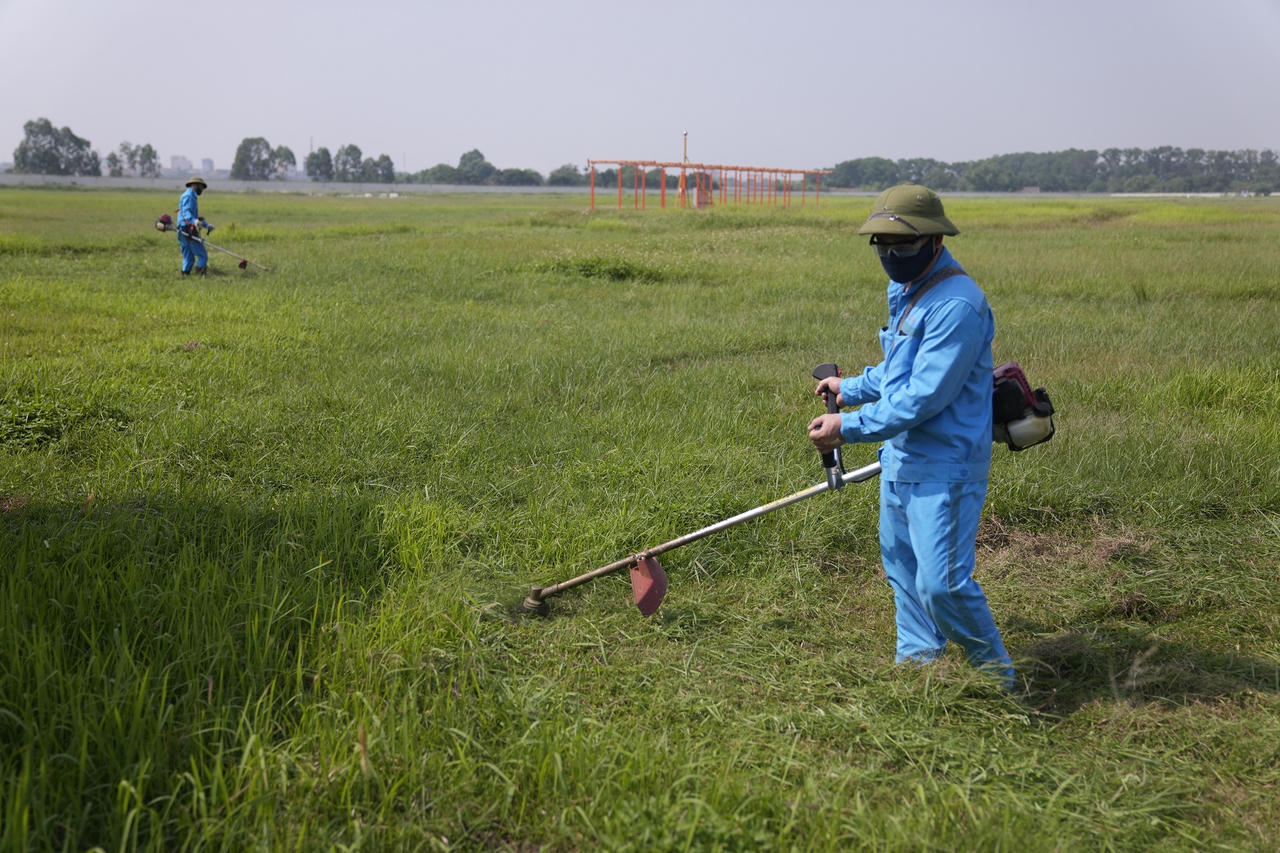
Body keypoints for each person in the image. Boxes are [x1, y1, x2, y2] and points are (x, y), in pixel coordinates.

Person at [807, 184, 1015, 689]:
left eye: (902, 245)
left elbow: (924, 397)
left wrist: (846, 426)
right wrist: (849, 387)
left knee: (941, 584)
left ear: (934, 241)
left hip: (945, 466)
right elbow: (899, 372)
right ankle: (919, 674)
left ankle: (998, 681)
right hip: (901, 458)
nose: (891, 255)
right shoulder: (907, 290)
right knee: (903, 574)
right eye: (882, 245)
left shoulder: (958, 306)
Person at [176, 176, 209, 276]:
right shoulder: (189, 196)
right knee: (202, 255)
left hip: (182, 228)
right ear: (195, 185)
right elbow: (186, 212)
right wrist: (194, 221)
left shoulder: (190, 196)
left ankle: (185, 274)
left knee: (188, 254)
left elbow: (193, 216)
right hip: (188, 229)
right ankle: (200, 275)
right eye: (201, 187)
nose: (202, 190)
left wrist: (207, 225)